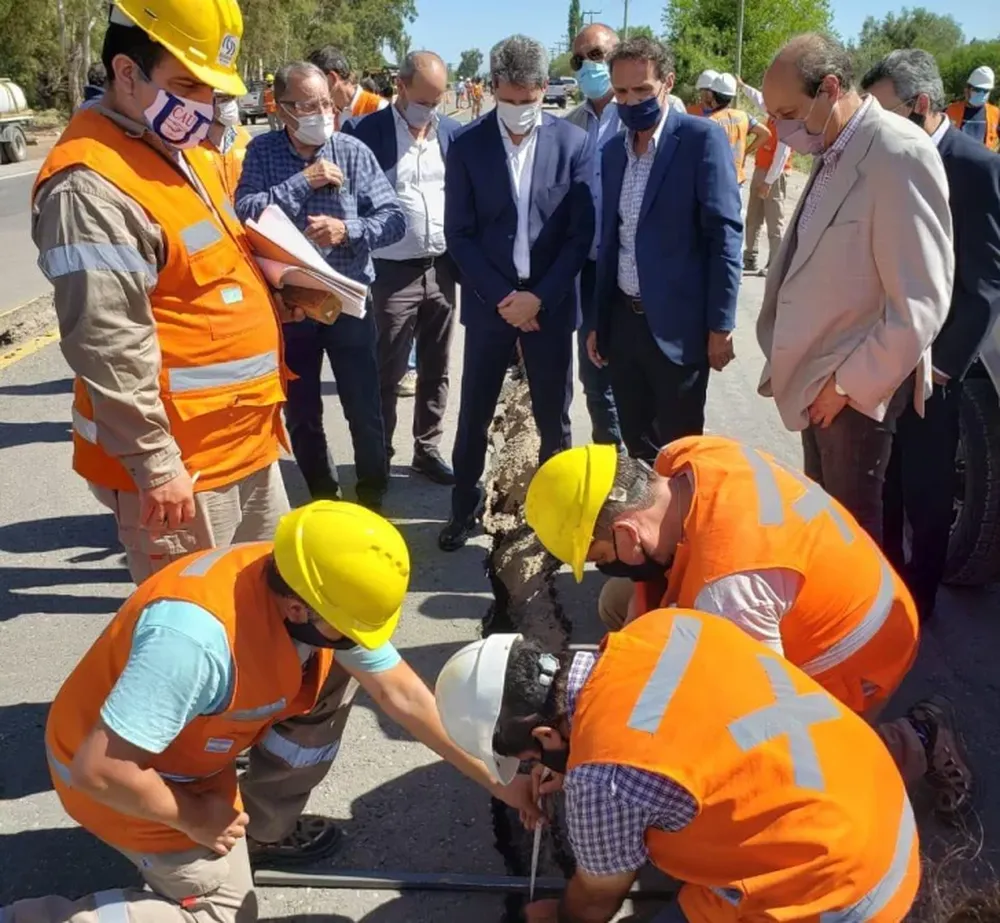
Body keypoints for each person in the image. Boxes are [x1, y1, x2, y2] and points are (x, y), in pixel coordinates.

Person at [1, 503, 538, 923]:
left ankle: (262, 829)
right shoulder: (193, 642)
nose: (361, 639)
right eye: (347, 626)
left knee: (334, 672)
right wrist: (196, 817)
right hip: (116, 776)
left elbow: (401, 694)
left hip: (188, 754)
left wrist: (497, 779)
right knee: (224, 914)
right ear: (298, 607)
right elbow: (102, 769)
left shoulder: (305, 575)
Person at [524, 437, 973, 816]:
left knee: (780, 772)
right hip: (837, 582)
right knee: (617, 603)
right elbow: (644, 603)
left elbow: (765, 727)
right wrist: (599, 697)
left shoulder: (729, 592)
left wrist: (609, 746)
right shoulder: (683, 461)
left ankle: (917, 736)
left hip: (861, 651)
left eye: (603, 557)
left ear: (626, 536)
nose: (608, 566)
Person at [31, 0, 293, 586]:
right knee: (197, 637)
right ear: (127, 73)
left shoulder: (178, 154)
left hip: (243, 446)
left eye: (210, 90)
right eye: (185, 85)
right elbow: (107, 341)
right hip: (185, 472)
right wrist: (155, 465)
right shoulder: (90, 188)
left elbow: (203, 273)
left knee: (267, 616)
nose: (203, 105)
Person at [435, 616, 920, 923]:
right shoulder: (660, 628)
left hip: (847, 895)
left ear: (544, 737)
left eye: (532, 761)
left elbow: (597, 899)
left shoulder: (602, 779)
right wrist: (575, 753)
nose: (538, 770)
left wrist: (555, 915)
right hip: (879, 801)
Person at [756, 33, 953, 546]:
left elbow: (920, 303)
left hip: (853, 398)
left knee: (854, 542)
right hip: (815, 383)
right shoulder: (832, 147)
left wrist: (843, 386)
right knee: (825, 529)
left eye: (788, 112)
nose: (779, 129)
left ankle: (874, 629)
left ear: (829, 88)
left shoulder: (897, 153)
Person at [439, 34, 594, 551]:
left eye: (530, 100)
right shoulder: (466, 145)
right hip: (491, 307)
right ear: (493, 87)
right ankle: (464, 508)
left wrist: (539, 299)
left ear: (544, 89)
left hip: (550, 305)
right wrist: (504, 298)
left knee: (555, 417)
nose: (521, 109)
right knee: (475, 413)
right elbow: (458, 233)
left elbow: (579, 235)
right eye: (511, 99)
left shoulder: (573, 145)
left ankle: (559, 518)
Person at [864, 50, 1000, 621]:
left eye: (885, 111)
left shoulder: (973, 166)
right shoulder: (882, 157)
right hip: (878, 352)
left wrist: (941, 368)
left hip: (932, 367)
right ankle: (880, 587)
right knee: (881, 483)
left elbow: (986, 285)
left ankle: (917, 608)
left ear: (919, 105)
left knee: (925, 489)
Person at [235, 62, 406, 511]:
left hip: (348, 302)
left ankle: (372, 492)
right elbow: (246, 211)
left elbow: (393, 218)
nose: (322, 114)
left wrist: (346, 230)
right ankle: (322, 496)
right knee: (303, 411)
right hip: (292, 308)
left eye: (327, 104)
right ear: (283, 109)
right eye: (309, 106)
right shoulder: (263, 153)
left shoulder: (351, 151)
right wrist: (302, 181)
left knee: (363, 406)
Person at [589, 37, 742, 463]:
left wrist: (720, 324)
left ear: (667, 83)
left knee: (680, 451)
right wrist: (599, 321)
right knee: (636, 445)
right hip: (624, 325)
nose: (630, 101)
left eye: (641, 90)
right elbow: (611, 241)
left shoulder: (700, 140)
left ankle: (681, 530)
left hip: (679, 330)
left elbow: (724, 235)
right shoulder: (611, 153)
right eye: (621, 92)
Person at [342, 51, 461, 485]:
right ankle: (380, 456)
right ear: (401, 86)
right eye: (423, 100)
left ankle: (427, 450)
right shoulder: (363, 133)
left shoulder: (449, 133)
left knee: (436, 367)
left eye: (437, 101)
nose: (428, 111)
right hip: (390, 274)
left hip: (442, 269)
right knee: (386, 371)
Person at [566, 22, 624, 447]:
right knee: (595, 370)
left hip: (639, 268)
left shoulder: (657, 113)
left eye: (597, 55)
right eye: (579, 59)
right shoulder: (571, 125)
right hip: (590, 271)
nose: (588, 65)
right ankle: (612, 462)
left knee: (639, 373)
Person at [737, 74, 792, 274]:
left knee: (774, 219)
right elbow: (759, 99)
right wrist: (743, 86)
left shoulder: (788, 119)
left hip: (775, 175)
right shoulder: (774, 111)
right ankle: (749, 257)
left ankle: (775, 263)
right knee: (754, 216)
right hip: (761, 169)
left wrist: (769, 181)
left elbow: (782, 154)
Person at [704, 72, 770, 187]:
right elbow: (765, 133)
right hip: (736, 180)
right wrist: (746, 152)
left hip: (715, 181)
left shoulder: (709, 121)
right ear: (731, 97)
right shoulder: (744, 116)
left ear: (713, 95)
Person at [307, 46, 388, 130]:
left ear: (332, 78)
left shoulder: (378, 108)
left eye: (315, 80)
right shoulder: (328, 113)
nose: (311, 87)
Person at [197, 93, 252, 203]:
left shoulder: (245, 138)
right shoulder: (192, 143)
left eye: (232, 98)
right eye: (223, 99)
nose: (230, 104)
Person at [945, 65, 999, 151]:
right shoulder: (950, 111)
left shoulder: (995, 113)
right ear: (967, 90)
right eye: (977, 90)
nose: (982, 94)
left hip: (984, 162)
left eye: (986, 91)